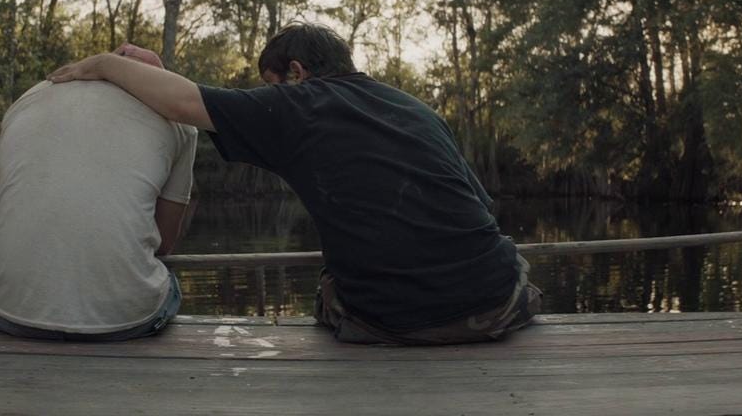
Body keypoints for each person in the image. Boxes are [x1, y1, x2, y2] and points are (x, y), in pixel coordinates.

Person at [48, 24, 539, 345]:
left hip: (392, 321)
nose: (267, 95)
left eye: (269, 83)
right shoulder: (418, 110)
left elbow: (182, 103)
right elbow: (480, 208)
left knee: (329, 286)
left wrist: (105, 64)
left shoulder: (297, 104)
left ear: (296, 73)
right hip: (499, 303)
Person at [0, 51, 197, 341]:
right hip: (125, 323)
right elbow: (165, 243)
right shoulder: (178, 119)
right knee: (168, 285)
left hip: (5, 312)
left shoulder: (26, 100)